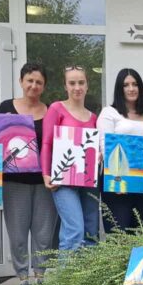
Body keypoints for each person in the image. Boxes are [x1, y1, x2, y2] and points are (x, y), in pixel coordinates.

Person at [0, 62, 57, 285]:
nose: (34, 85)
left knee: (44, 233)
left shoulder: (51, 111)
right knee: (18, 233)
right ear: (21, 81)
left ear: (44, 86)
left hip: (45, 182)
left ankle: (40, 276)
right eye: (29, 80)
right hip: (14, 182)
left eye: (39, 82)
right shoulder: (6, 107)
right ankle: (23, 278)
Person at [43, 65, 100, 249]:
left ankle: (87, 269)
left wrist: (98, 155)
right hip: (63, 180)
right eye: (72, 83)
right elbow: (47, 143)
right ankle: (65, 269)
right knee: (74, 231)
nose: (77, 87)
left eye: (81, 83)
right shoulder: (56, 109)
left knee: (91, 234)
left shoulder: (93, 117)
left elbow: (95, 147)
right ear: (65, 86)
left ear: (87, 85)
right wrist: (46, 173)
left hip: (88, 181)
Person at [98, 68, 143, 233]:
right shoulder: (109, 112)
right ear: (119, 89)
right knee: (118, 231)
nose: (131, 88)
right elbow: (104, 145)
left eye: (135, 84)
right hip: (118, 172)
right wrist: (117, 178)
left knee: (138, 230)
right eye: (126, 85)